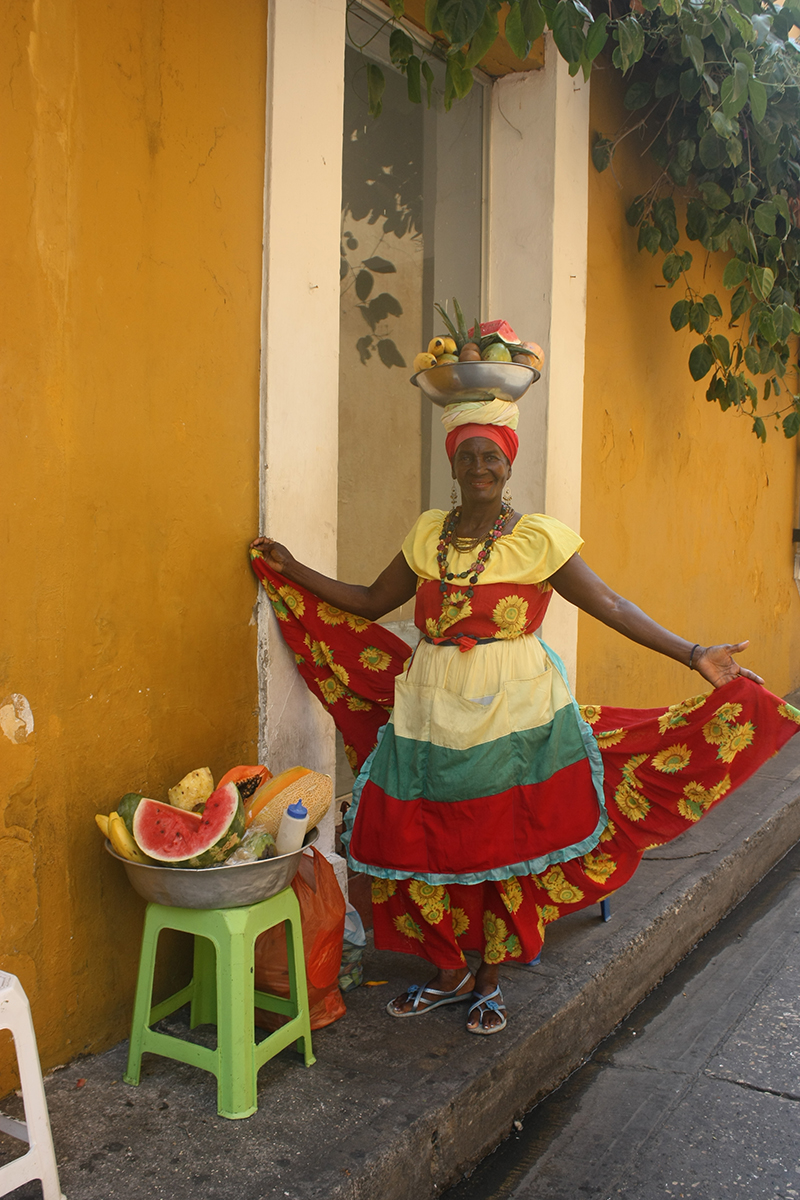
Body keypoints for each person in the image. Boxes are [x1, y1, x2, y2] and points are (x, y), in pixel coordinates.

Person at [250, 399, 800, 1036]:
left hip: (518, 714)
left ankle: (490, 976)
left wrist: (695, 653)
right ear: (452, 464)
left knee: (505, 842)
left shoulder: (539, 539)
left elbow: (613, 604)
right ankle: (449, 970)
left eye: (491, 456)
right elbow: (372, 602)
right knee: (426, 836)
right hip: (429, 711)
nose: (479, 466)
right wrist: (294, 571)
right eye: (467, 455)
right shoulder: (429, 532)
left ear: (507, 466)